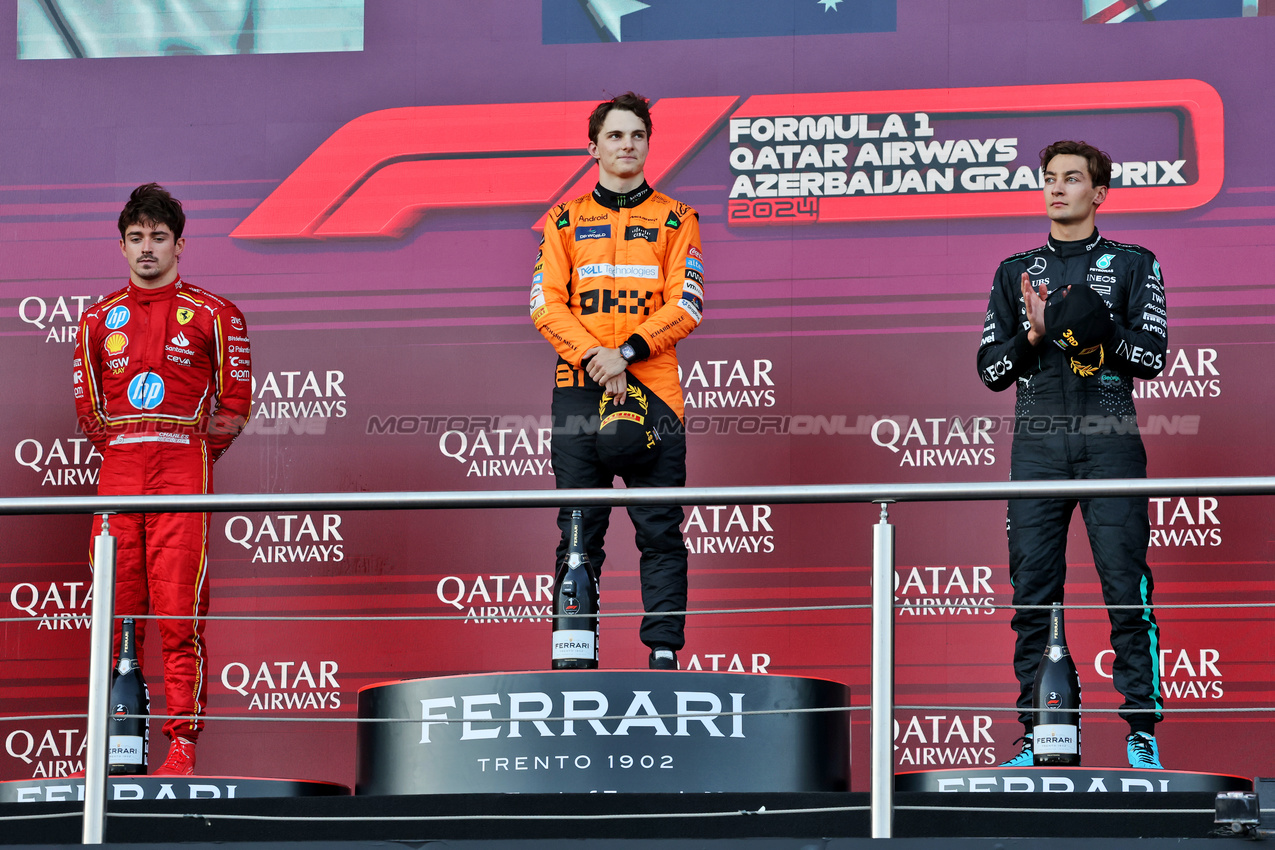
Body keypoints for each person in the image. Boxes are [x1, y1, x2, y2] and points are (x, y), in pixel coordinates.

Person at [976, 141, 1168, 769]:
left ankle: (1141, 732)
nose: (1057, 189)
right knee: (1033, 592)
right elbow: (991, 371)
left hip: (1110, 441)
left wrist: (1100, 328)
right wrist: (1034, 332)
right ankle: (1039, 735)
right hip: (1038, 447)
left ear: (1100, 193)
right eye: (1049, 179)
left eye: (1072, 179)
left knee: (1125, 587)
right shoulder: (1014, 271)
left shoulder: (1137, 263)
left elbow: (1153, 356)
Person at [73, 184, 252, 775]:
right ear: (121, 245)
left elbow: (233, 406)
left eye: (158, 237)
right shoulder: (97, 319)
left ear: (179, 244)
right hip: (119, 471)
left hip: (182, 474)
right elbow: (91, 414)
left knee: (179, 615)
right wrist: (136, 448)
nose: (146, 248)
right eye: (135, 238)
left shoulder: (215, 313)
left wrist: (190, 454)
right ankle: (112, 748)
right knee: (116, 617)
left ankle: (181, 747)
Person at [531, 92, 704, 670]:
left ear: (648, 145)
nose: (625, 145)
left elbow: (688, 303)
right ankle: (573, 655)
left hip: (654, 390)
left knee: (659, 529)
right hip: (579, 388)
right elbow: (544, 303)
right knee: (579, 529)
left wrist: (626, 352)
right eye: (614, 136)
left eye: (636, 136)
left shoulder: (678, 218)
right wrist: (594, 357)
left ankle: (662, 654)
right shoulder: (562, 219)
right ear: (593, 147)